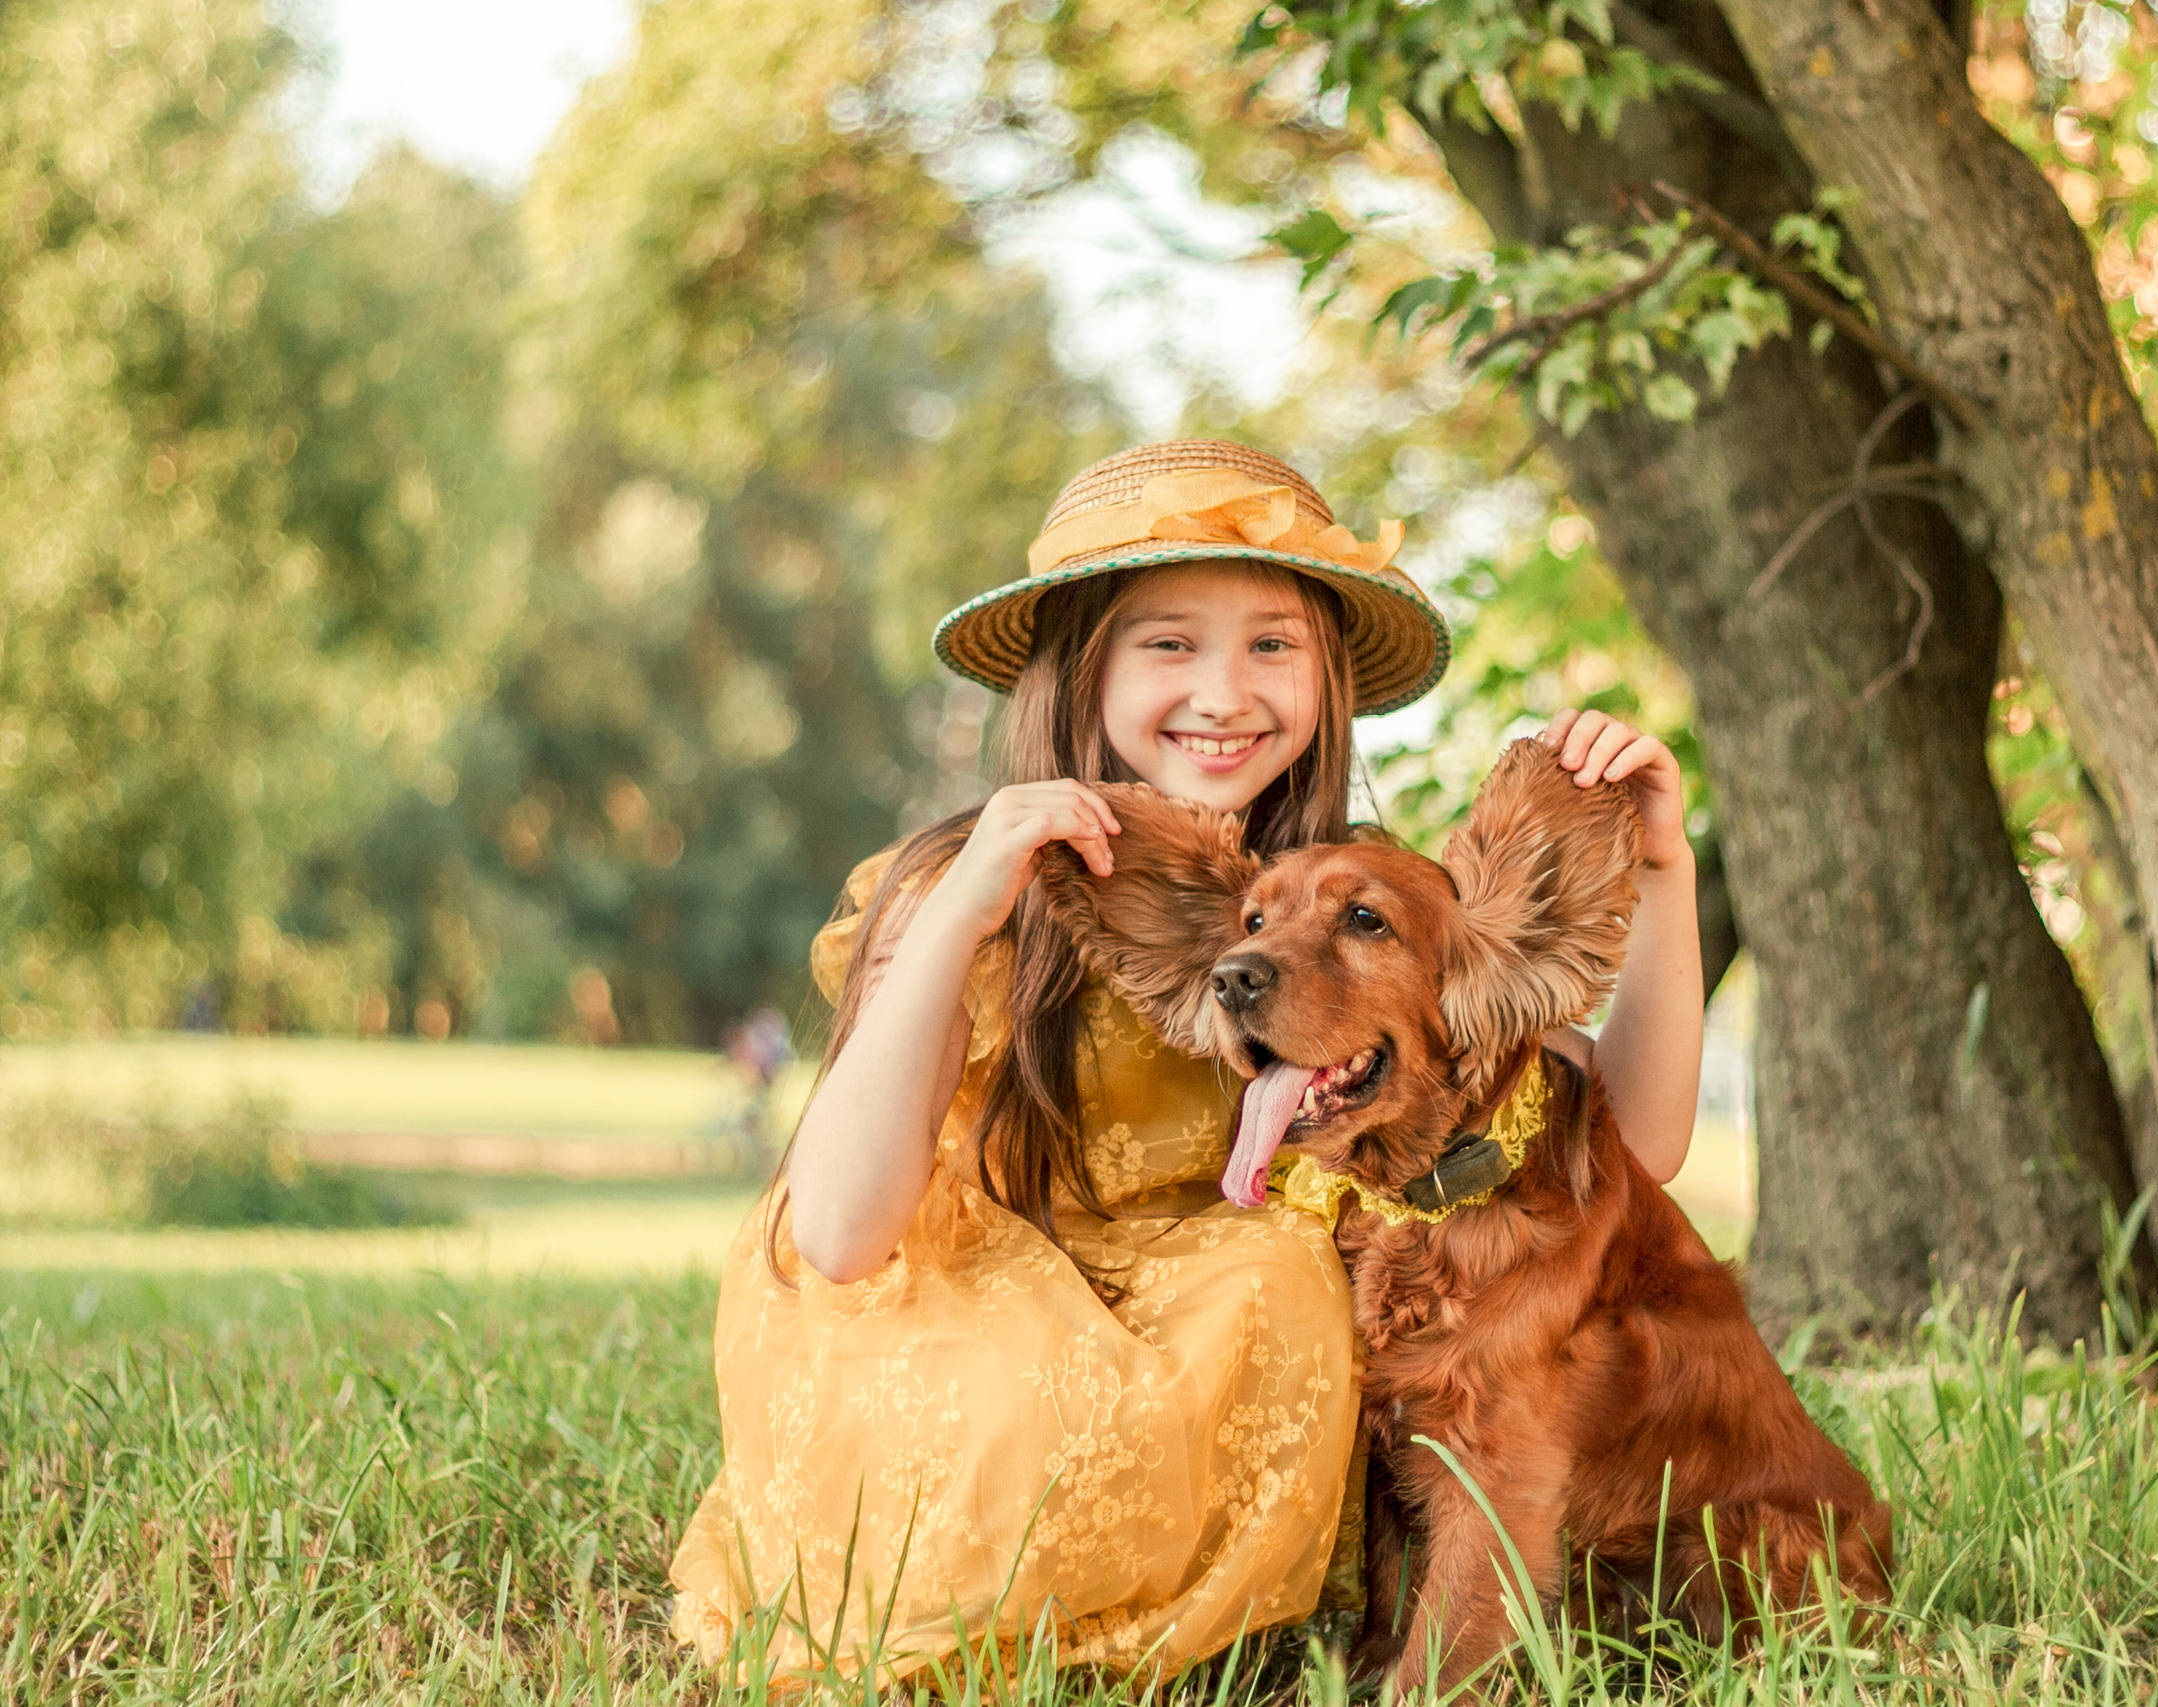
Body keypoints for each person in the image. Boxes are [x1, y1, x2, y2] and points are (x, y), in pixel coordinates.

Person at [668, 440, 1705, 1684]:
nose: (1225, 691)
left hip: (1205, 1343)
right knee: (1090, 1372)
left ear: (1325, 680)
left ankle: (1220, 1622)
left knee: (1277, 1273)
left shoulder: (1351, 899)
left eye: (1272, 645)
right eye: (1168, 644)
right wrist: (962, 912)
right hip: (968, 1319)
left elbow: (1633, 1142)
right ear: (1080, 672)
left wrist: (1664, 877)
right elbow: (840, 1231)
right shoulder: (965, 883)